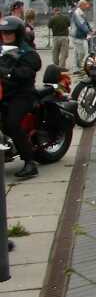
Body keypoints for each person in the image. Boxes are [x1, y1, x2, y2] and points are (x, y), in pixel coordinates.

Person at [0, 16, 42, 179]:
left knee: (11, 123)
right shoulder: (2, 49)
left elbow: (29, 71)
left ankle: (30, 163)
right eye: (3, 32)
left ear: (17, 33)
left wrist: (8, 73)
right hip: (4, 92)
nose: (5, 35)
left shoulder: (27, 52)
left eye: (9, 33)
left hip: (22, 94)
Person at [70, 0, 92, 73]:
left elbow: (86, 23)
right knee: (81, 52)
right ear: (81, 5)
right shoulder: (77, 13)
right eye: (85, 5)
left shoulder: (81, 12)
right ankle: (78, 66)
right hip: (77, 36)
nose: (87, 6)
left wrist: (91, 29)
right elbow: (81, 25)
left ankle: (76, 68)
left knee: (76, 53)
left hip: (79, 36)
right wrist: (88, 31)